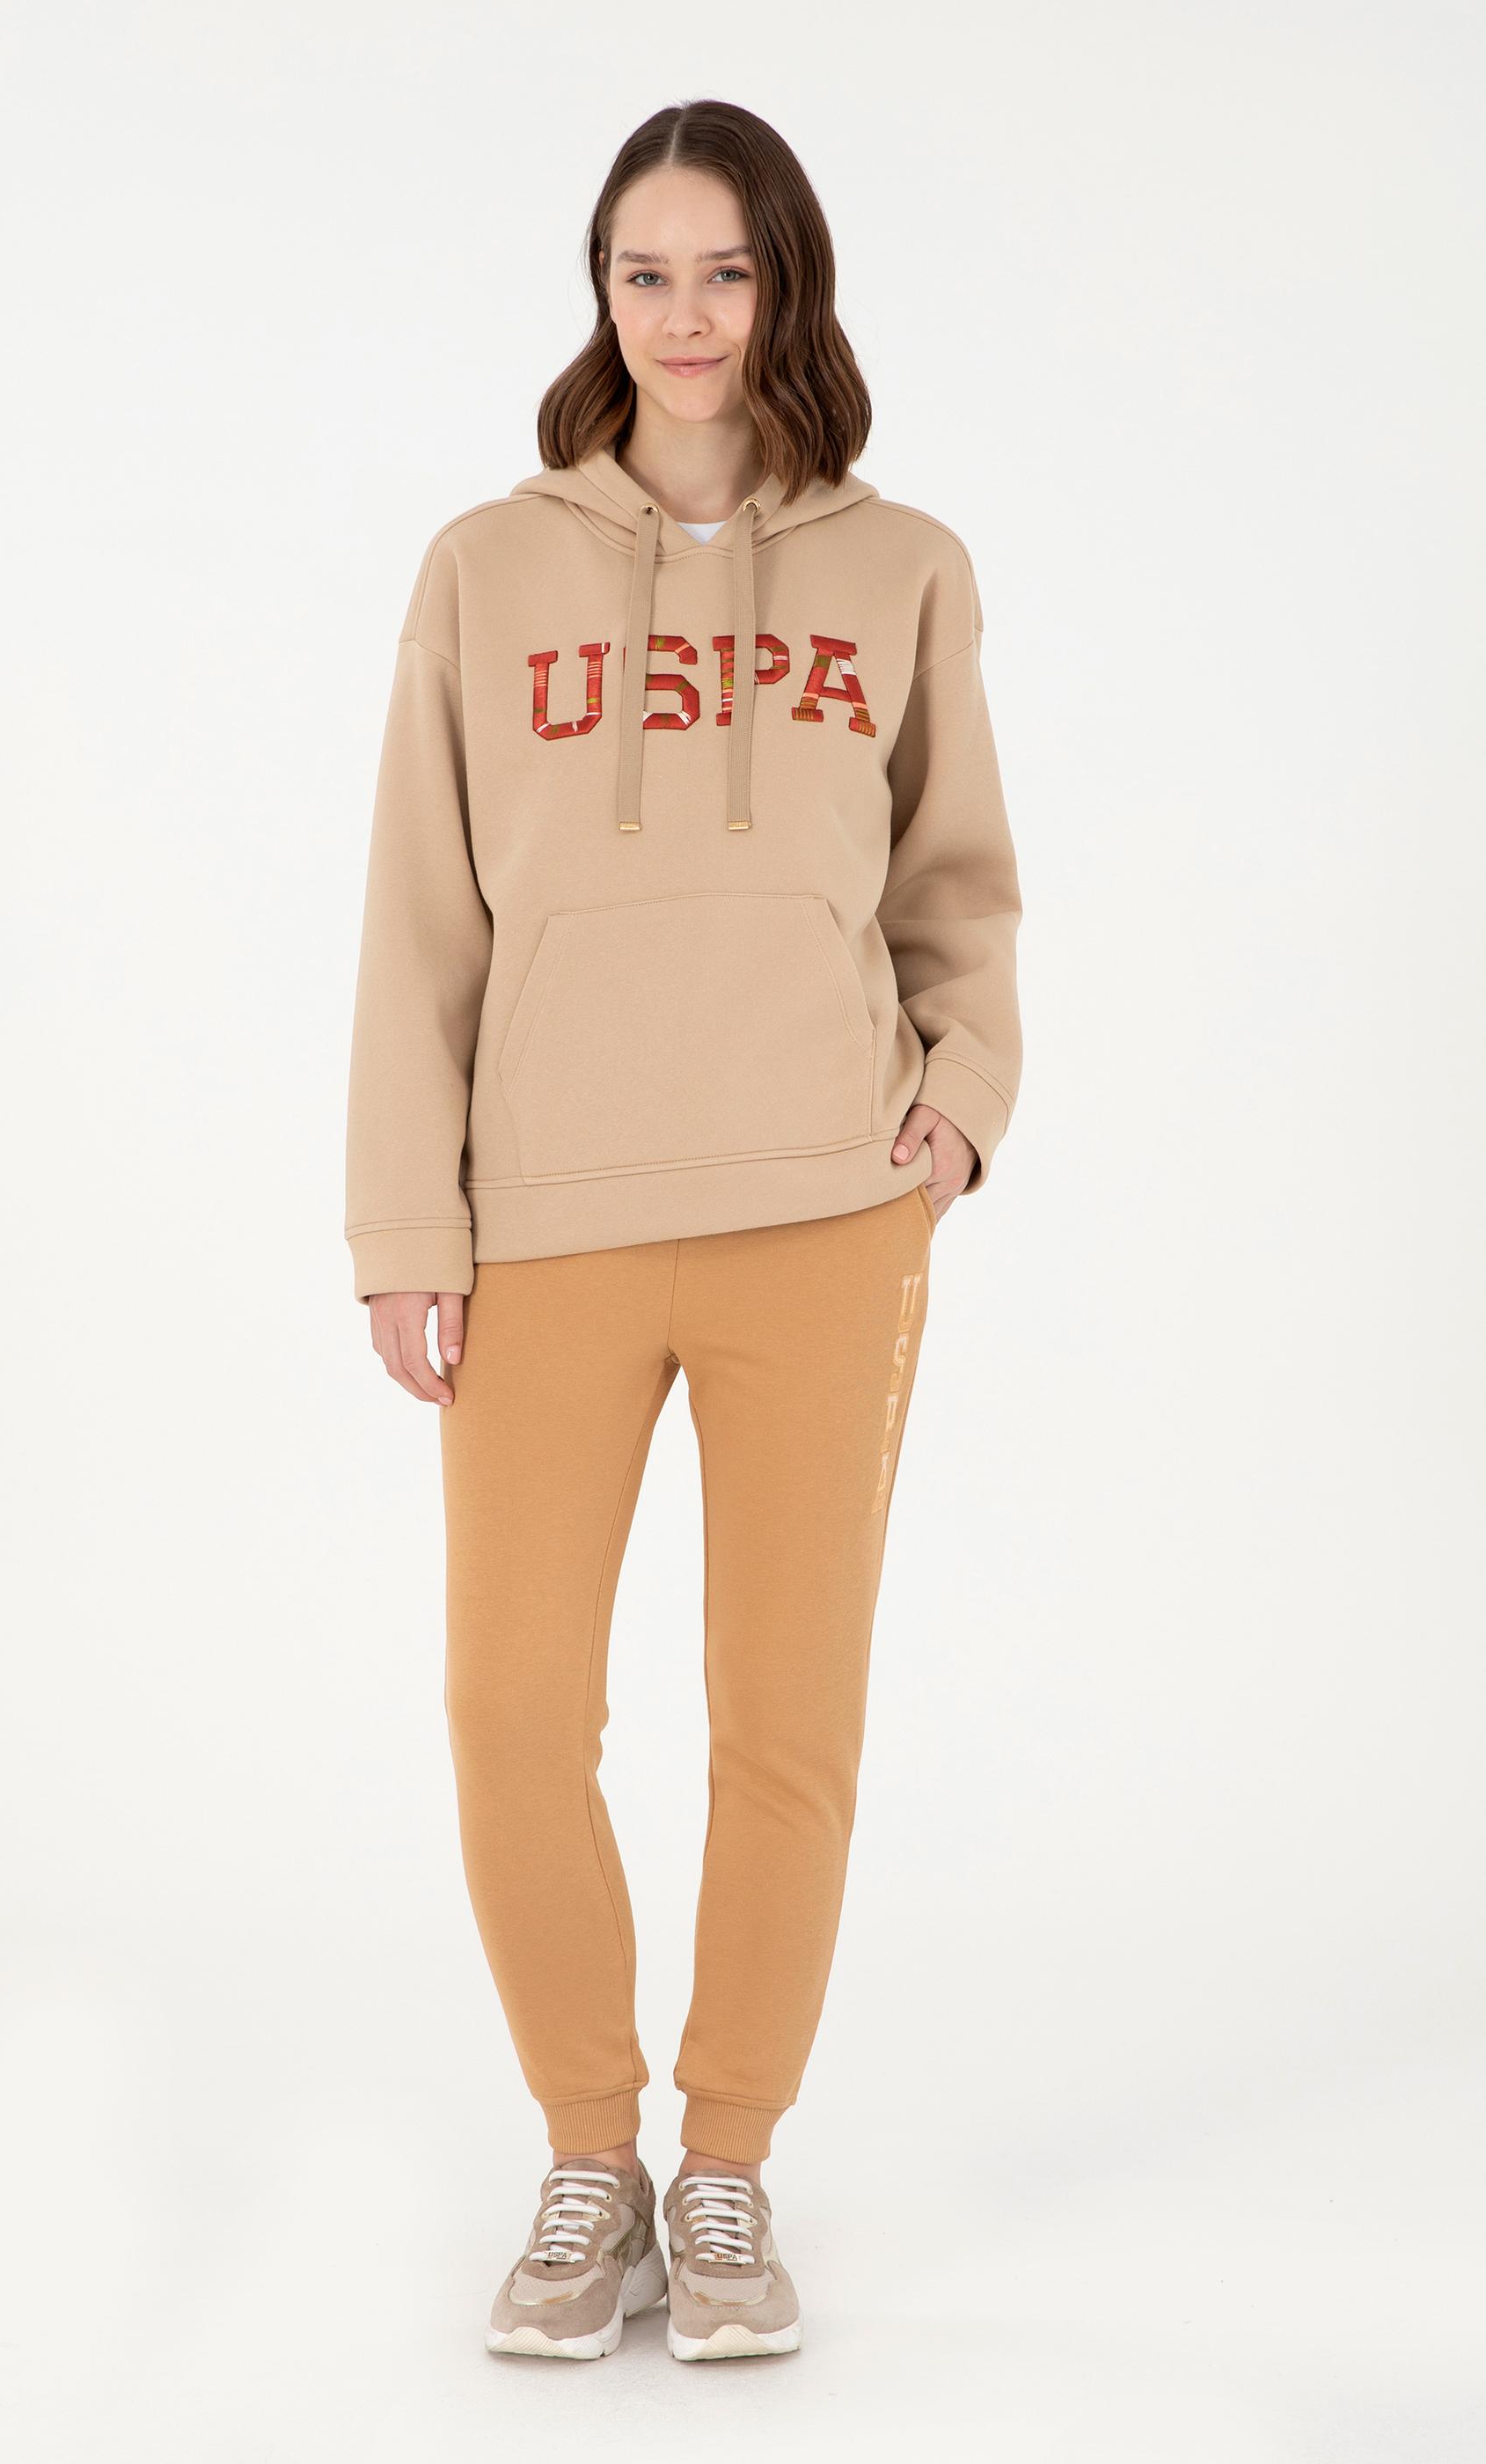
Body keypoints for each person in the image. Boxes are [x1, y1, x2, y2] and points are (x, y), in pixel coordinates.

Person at [344, 97, 1022, 2363]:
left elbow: (959, 882)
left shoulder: (900, 565)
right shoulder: (486, 567)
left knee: (784, 1716)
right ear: (601, 293)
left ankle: (723, 2162)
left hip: (824, 1215)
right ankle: (585, 2148)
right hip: (541, 1221)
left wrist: (954, 1111)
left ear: (784, 282)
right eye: (645, 272)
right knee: (511, 1705)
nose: (686, 314)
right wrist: (403, 1221)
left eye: (725, 270)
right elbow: (417, 920)